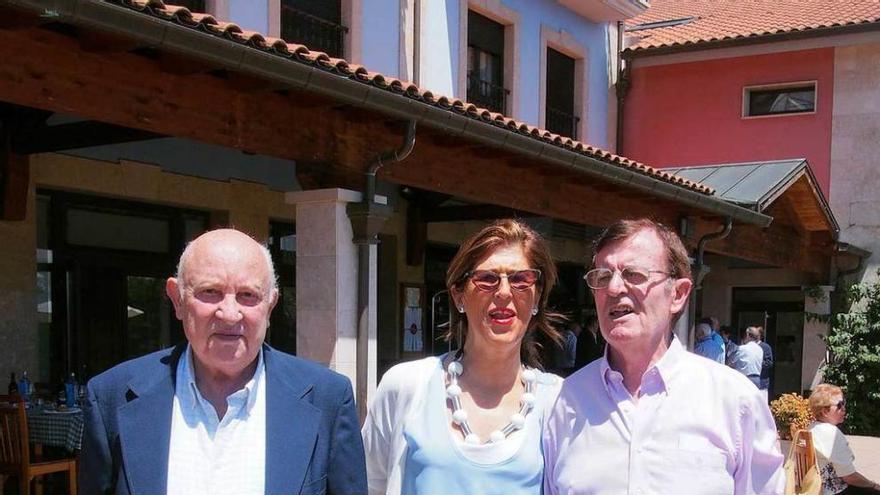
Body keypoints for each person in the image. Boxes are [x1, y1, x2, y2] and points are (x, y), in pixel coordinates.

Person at [80, 229, 367, 494]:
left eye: (247, 295)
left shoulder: (328, 399)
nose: (229, 314)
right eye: (210, 292)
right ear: (177, 299)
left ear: (270, 305)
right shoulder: (112, 398)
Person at [543, 218, 784, 494]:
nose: (613, 289)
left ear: (678, 294)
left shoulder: (734, 402)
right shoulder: (566, 402)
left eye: (633, 274)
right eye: (603, 276)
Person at [362, 219, 562, 494]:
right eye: (487, 279)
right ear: (458, 296)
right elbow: (367, 485)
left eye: (520, 279)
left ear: (537, 297)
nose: (504, 292)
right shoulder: (406, 385)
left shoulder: (560, 402)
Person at [808, 383, 880, 495]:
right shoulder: (832, 434)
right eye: (839, 405)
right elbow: (849, 477)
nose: (844, 408)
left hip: (814, 488)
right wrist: (874, 485)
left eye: (844, 403)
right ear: (825, 411)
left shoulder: (810, 428)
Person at [733, 326, 765, 390]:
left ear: (747, 335)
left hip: (744, 379)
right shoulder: (760, 349)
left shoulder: (742, 348)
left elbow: (732, 362)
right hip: (757, 379)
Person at [756, 326, 774, 398]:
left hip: (762, 382)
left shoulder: (765, 347)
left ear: (760, 335)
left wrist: (757, 364)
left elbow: (769, 363)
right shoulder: (747, 347)